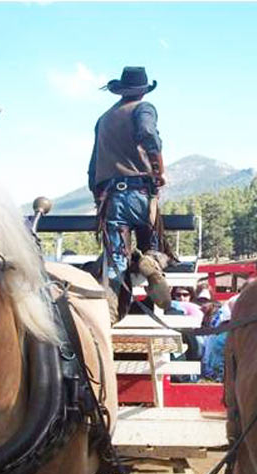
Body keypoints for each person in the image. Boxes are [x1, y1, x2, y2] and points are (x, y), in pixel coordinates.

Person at [88, 66, 171, 323]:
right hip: (140, 193)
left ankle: (109, 315)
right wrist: (159, 169)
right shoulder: (143, 109)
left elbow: (93, 167)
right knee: (156, 245)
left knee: (115, 262)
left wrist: (97, 196)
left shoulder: (104, 119)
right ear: (143, 90)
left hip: (111, 198)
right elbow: (148, 134)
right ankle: (151, 264)